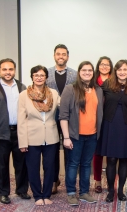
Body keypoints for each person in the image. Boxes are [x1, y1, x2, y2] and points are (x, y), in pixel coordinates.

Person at [0, 58, 30, 204]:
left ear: (14, 70)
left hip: (19, 133)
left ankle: (21, 190)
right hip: (0, 134)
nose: (8, 72)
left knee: (21, 165)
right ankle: (3, 193)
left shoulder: (22, 87)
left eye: (10, 69)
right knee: (1, 166)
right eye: (4, 69)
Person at [59, 61, 103, 206]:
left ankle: (84, 193)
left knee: (86, 164)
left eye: (90, 70)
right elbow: (63, 115)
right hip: (74, 136)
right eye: (84, 70)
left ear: (93, 73)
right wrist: (66, 137)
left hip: (92, 135)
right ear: (79, 72)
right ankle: (71, 193)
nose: (87, 73)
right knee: (73, 164)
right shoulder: (70, 89)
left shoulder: (98, 90)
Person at [18, 65, 60, 205]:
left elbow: (64, 107)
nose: (39, 77)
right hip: (31, 137)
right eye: (36, 75)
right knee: (33, 168)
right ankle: (37, 195)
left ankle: (47, 195)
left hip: (51, 136)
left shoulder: (53, 93)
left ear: (46, 77)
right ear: (32, 77)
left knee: (50, 167)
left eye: (42, 75)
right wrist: (22, 142)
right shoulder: (24, 95)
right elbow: (21, 120)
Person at [97, 59, 127, 203]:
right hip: (109, 125)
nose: (122, 72)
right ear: (115, 71)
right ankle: (110, 191)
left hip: (126, 126)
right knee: (111, 159)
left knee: (124, 159)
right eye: (119, 69)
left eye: (125, 69)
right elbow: (98, 103)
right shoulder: (106, 85)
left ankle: (120, 191)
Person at [47, 44, 77, 194]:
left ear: (67, 57)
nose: (61, 56)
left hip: (69, 119)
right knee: (52, 151)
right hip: (51, 118)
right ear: (54, 56)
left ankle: (69, 183)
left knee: (69, 151)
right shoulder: (46, 73)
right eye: (58, 54)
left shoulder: (75, 74)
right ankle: (54, 181)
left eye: (64, 54)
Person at [92, 56, 114, 193]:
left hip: (112, 120)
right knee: (98, 152)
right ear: (98, 66)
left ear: (111, 67)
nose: (104, 66)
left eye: (107, 64)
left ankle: (112, 181)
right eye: (102, 64)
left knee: (112, 153)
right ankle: (97, 180)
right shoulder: (93, 81)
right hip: (96, 119)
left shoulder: (115, 81)